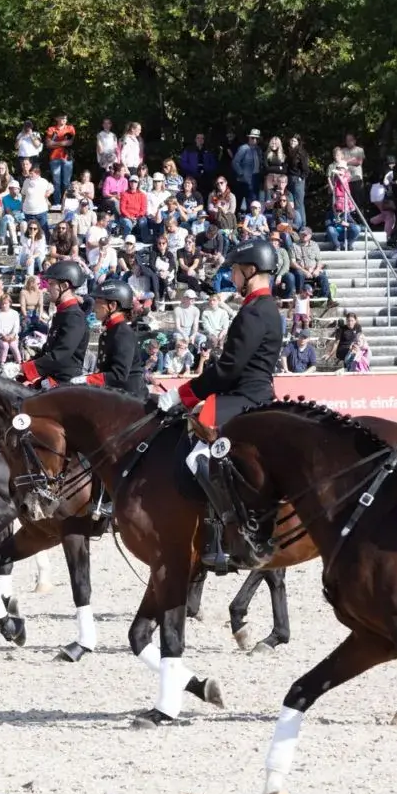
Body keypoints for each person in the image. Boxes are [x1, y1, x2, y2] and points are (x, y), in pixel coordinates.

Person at [157, 240, 282, 569]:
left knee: (199, 456)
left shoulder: (254, 311)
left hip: (244, 397)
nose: (233, 278)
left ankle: (218, 538)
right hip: (251, 393)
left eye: (236, 271)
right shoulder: (266, 308)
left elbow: (227, 370)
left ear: (250, 271)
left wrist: (181, 395)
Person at [21, 259, 89, 386]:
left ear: (64, 286)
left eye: (51, 284)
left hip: (65, 383)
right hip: (53, 378)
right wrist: (22, 368)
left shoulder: (74, 317)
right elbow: (47, 350)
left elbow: (60, 354)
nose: (47, 289)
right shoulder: (63, 313)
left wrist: (25, 369)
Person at [88, 278, 148, 395]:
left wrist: (88, 380)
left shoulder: (122, 332)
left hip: (129, 398)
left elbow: (118, 374)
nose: (94, 307)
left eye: (98, 302)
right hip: (114, 395)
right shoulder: (112, 330)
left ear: (113, 305)